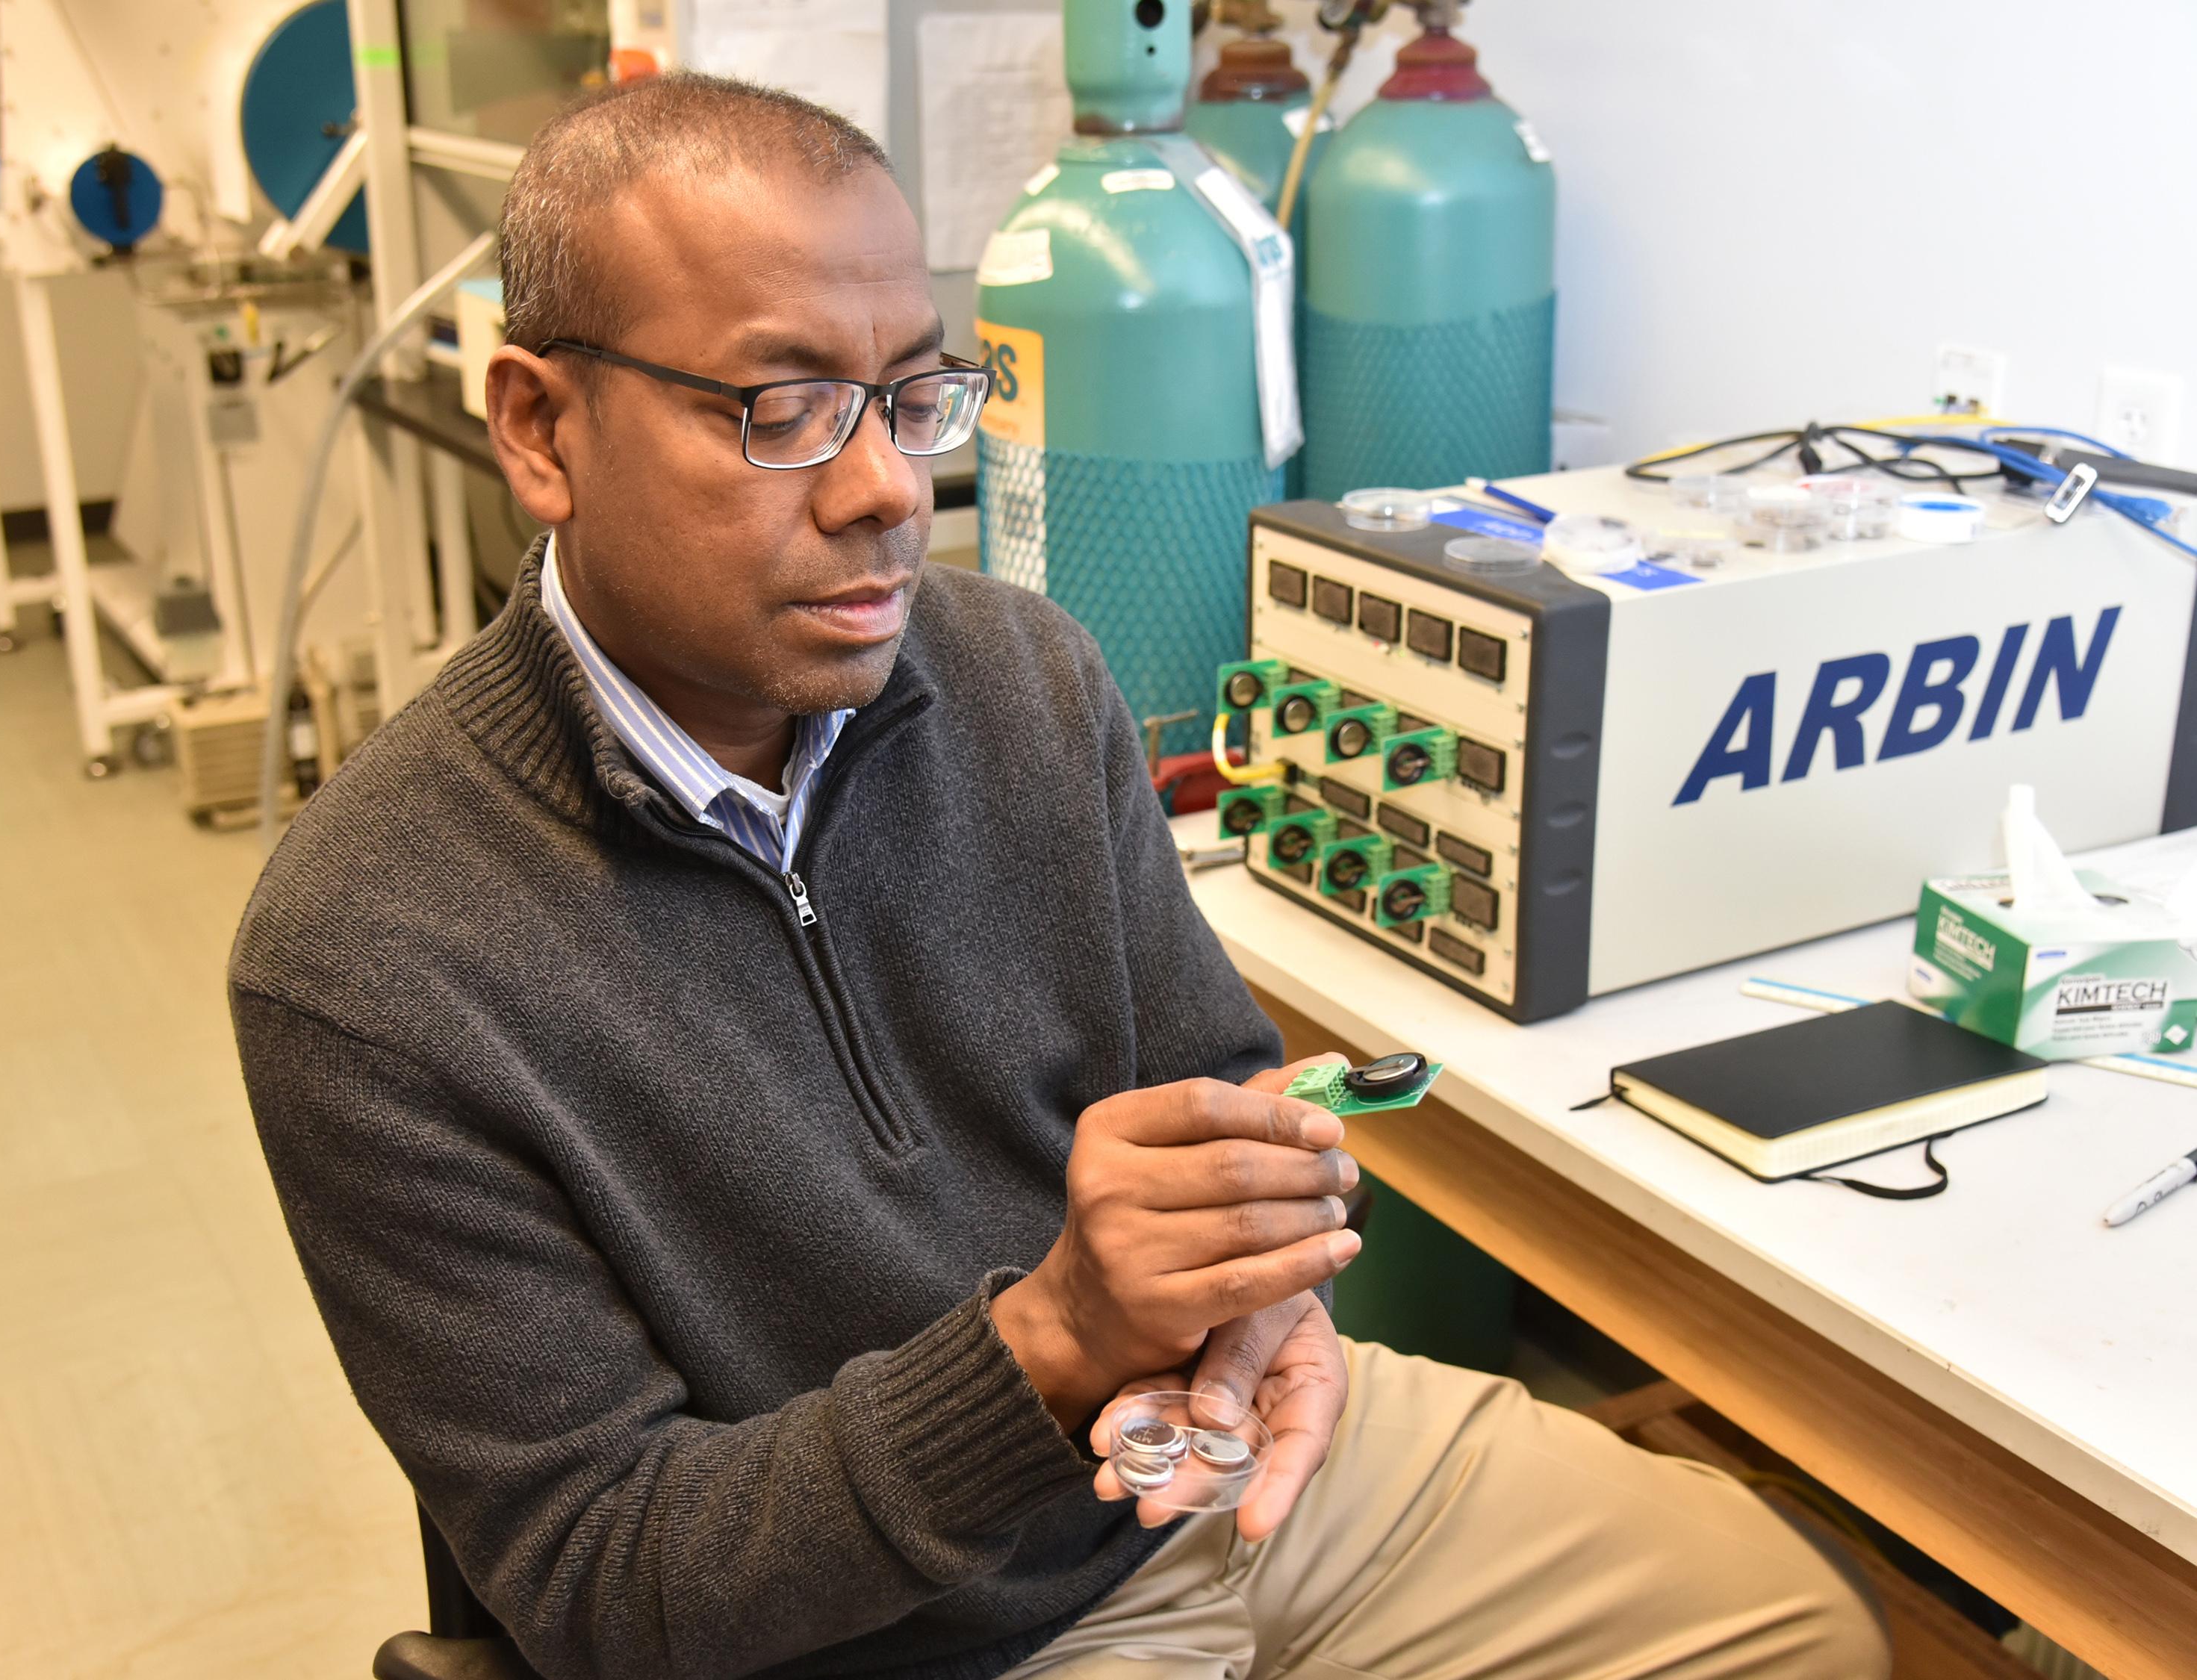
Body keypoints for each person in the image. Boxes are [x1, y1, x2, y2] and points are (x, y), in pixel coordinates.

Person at [229, 72, 1888, 1680]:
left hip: (1216, 1477)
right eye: (781, 409)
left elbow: (1227, 1094)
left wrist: (1265, 1315)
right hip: (896, 1643)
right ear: (540, 427)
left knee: (1799, 1627)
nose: (887, 487)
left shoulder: (1022, 675)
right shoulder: (371, 955)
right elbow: (605, 1582)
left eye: (912, 395)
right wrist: (1044, 1347)